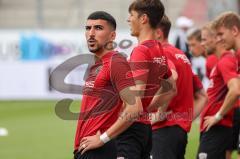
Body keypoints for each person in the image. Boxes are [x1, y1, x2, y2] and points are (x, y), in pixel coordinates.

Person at [73, 11, 143, 159]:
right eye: (88, 28)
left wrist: (103, 138)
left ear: (112, 36)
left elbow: (135, 107)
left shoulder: (116, 62)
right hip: (86, 147)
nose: (91, 33)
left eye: (98, 28)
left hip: (99, 149)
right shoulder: (96, 65)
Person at [116, 0, 176, 158]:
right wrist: (148, 108)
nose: (129, 19)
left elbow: (136, 97)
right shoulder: (158, 49)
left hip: (130, 129)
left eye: (131, 15)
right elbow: (171, 88)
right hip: (144, 128)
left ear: (143, 19)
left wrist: (105, 136)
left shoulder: (141, 50)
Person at [150, 14, 207, 159]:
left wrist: (160, 113)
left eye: (147, 30)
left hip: (164, 130)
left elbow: (171, 79)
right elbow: (202, 96)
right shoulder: (181, 55)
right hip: (178, 131)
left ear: (158, 32)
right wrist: (185, 119)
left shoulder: (161, 53)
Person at [197, 20, 240, 159]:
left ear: (215, 38)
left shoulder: (226, 61)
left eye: (204, 39)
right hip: (214, 127)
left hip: (218, 127)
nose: (202, 43)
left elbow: (235, 90)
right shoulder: (220, 61)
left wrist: (218, 116)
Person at [212, 11, 240, 159]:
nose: (219, 39)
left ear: (234, 31)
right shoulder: (236, 57)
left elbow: (235, 91)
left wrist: (217, 116)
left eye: (221, 34)